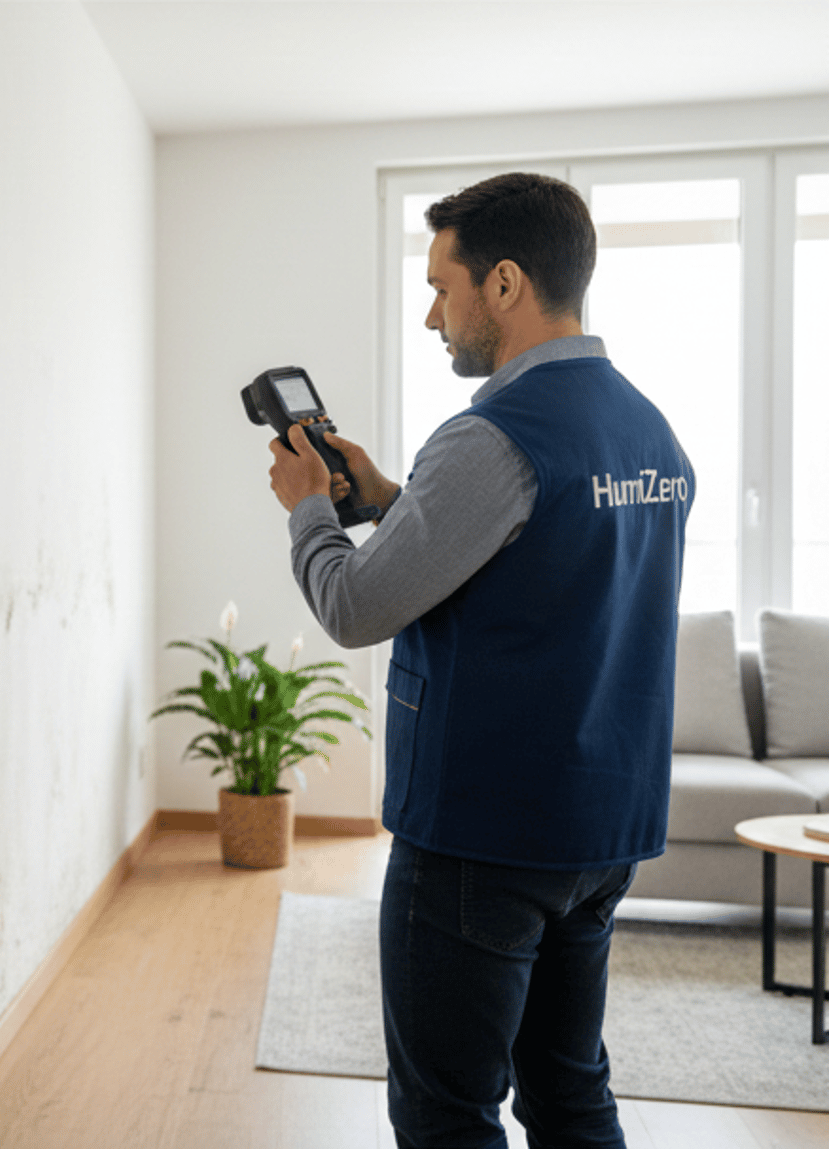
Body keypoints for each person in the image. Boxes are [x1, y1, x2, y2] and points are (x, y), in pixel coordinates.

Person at [265, 172, 693, 1149]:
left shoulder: (491, 438)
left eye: (440, 286)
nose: (430, 316)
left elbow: (354, 606)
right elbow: (538, 562)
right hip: (602, 833)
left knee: (446, 1110)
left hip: (480, 840)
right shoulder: (650, 432)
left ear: (503, 284)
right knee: (567, 1089)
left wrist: (307, 506)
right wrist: (387, 494)